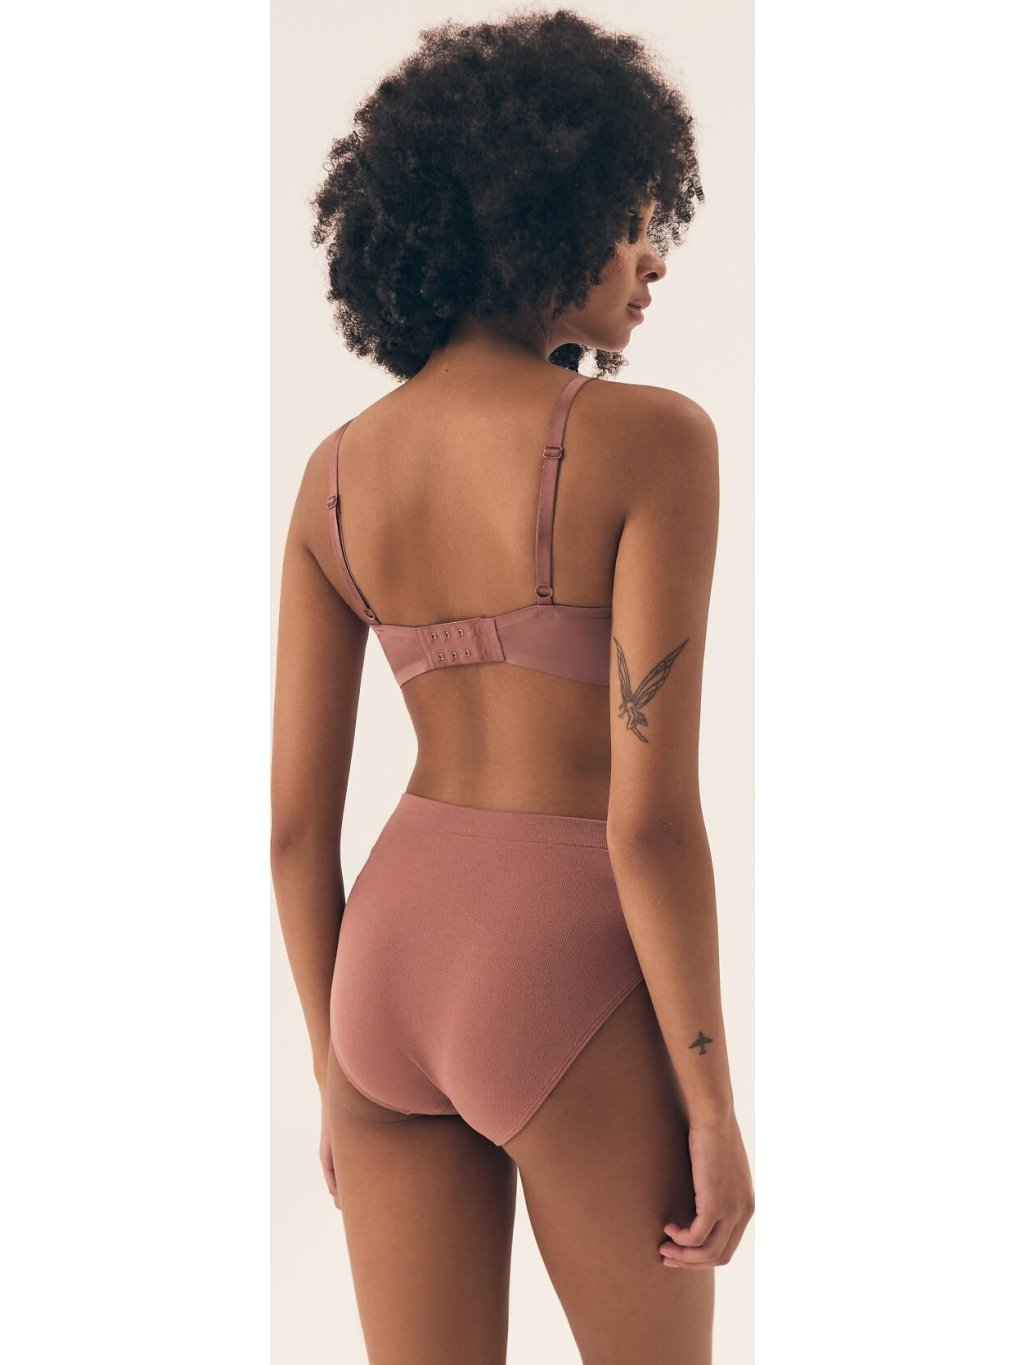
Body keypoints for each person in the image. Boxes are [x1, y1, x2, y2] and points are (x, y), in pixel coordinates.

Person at [271, 9, 754, 1361]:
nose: (653, 259)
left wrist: (333, 1064)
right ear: (542, 215)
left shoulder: (334, 477)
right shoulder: (652, 443)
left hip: (383, 976)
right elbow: (650, 825)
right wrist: (713, 1108)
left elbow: (295, 830)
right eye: (631, 220)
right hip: (561, 963)